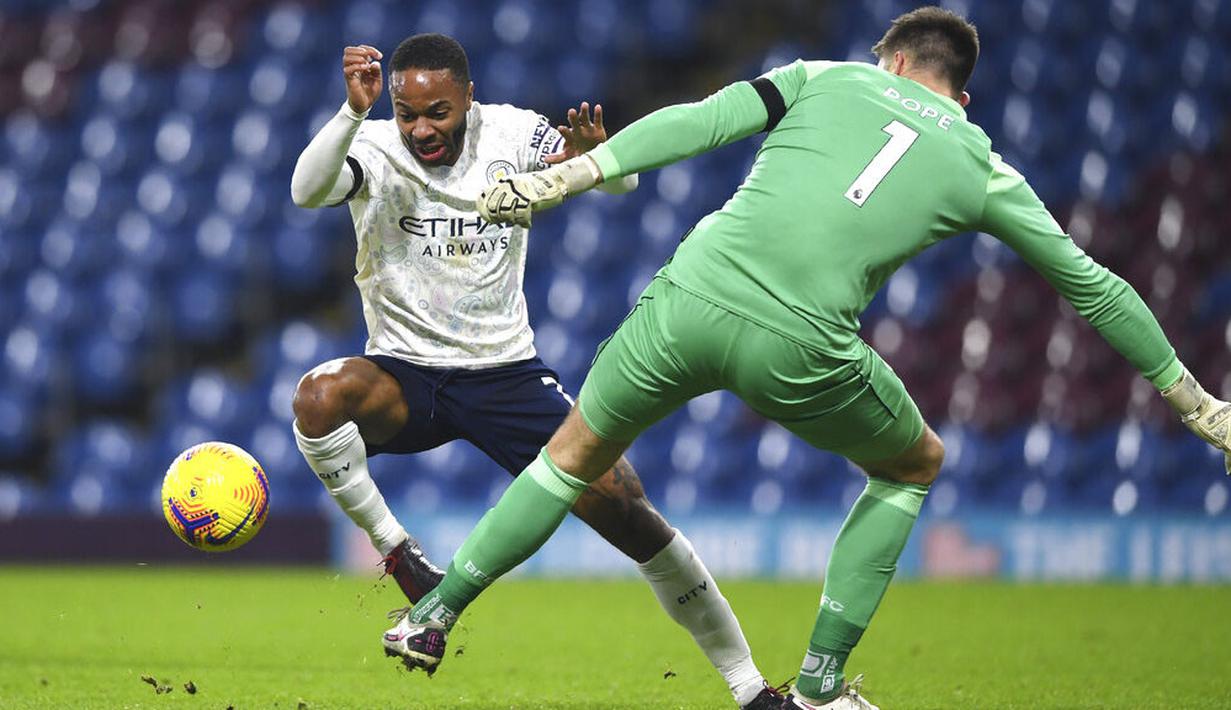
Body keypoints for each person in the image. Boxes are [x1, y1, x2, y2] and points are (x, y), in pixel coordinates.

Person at [386, 7, 1231, 710]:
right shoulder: (983, 167)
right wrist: (1192, 400)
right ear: (959, 94)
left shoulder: (826, 75)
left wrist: (567, 177)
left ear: (890, 62)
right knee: (911, 464)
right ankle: (822, 687)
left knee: (570, 457)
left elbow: (701, 120)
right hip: (796, 344)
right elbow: (1093, 288)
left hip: (686, 297)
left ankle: (433, 611)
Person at [288, 32, 780, 709]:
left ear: (467, 97)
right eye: (407, 114)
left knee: (629, 511)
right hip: (404, 372)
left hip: (505, 373)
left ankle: (749, 687)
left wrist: (586, 158)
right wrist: (352, 112)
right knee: (318, 398)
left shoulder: (515, 132)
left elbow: (624, 180)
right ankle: (400, 556)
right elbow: (305, 190)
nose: (421, 129)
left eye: (437, 112)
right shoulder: (371, 146)